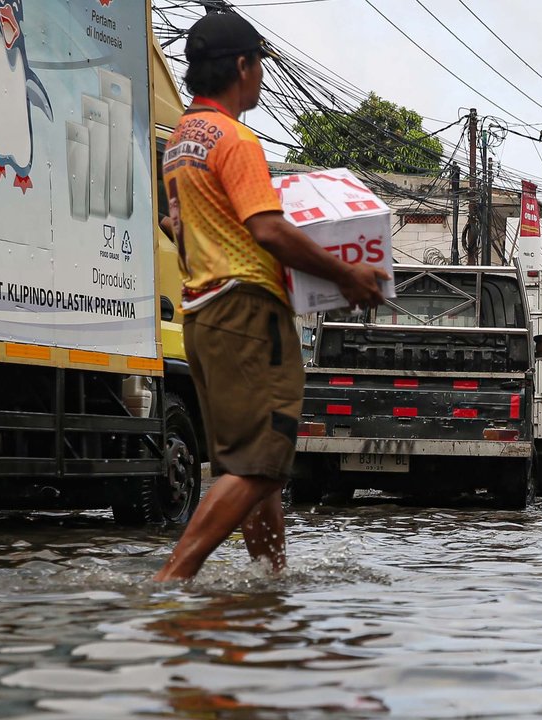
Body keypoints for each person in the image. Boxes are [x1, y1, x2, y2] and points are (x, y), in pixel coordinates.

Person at [153, 13, 387, 582]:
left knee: (250, 467)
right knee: (262, 465)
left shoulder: (180, 145)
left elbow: (171, 224)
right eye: (259, 65)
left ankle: (270, 582)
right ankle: (173, 579)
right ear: (242, 66)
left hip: (202, 317)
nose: (261, 78)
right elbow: (270, 230)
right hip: (248, 315)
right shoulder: (236, 140)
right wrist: (346, 277)